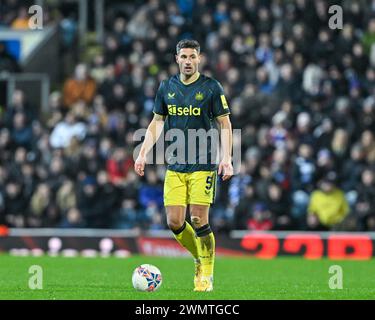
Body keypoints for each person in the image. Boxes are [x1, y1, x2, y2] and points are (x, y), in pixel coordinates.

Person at [134, 39, 233, 292]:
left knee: (199, 219)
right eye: (184, 57)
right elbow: (157, 122)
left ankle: (206, 273)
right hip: (175, 164)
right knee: (174, 221)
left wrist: (227, 158)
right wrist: (143, 153)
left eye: (192, 57)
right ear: (176, 58)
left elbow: (224, 123)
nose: (188, 61)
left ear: (199, 59)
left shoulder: (211, 87)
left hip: (203, 163)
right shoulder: (166, 86)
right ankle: (198, 257)